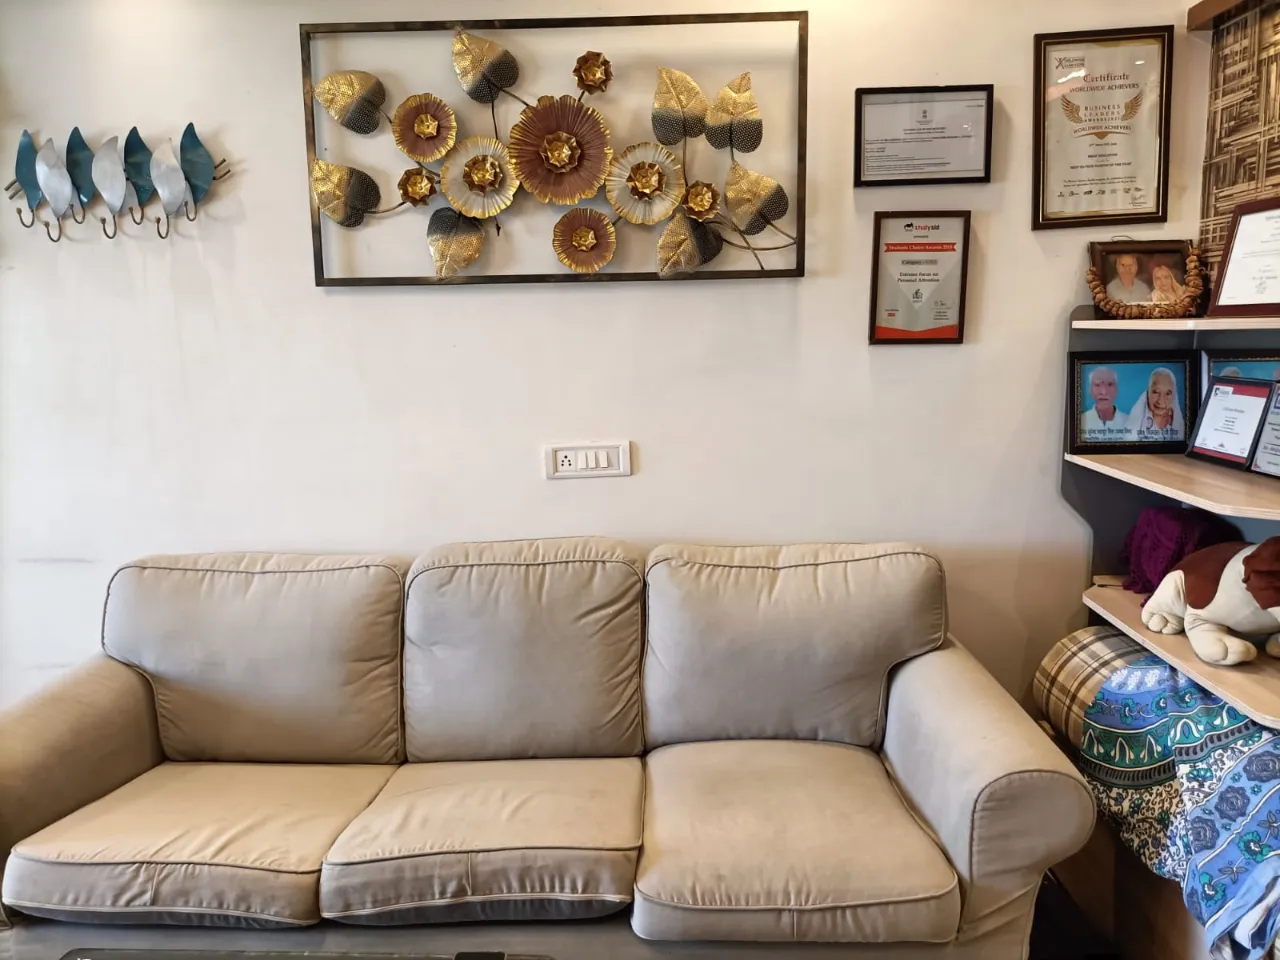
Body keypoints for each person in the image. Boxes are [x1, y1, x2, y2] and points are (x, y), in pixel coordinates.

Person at [1126, 367, 1185, 441]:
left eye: (1168, 394)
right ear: (1148, 393)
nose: (1161, 400)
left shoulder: (1177, 425)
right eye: (1156, 392)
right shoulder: (1137, 423)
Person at [1080, 366, 1129, 440]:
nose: (1104, 392)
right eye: (1097, 385)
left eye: (1110, 384)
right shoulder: (1080, 422)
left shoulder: (1130, 422)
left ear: (1116, 390)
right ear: (1090, 390)